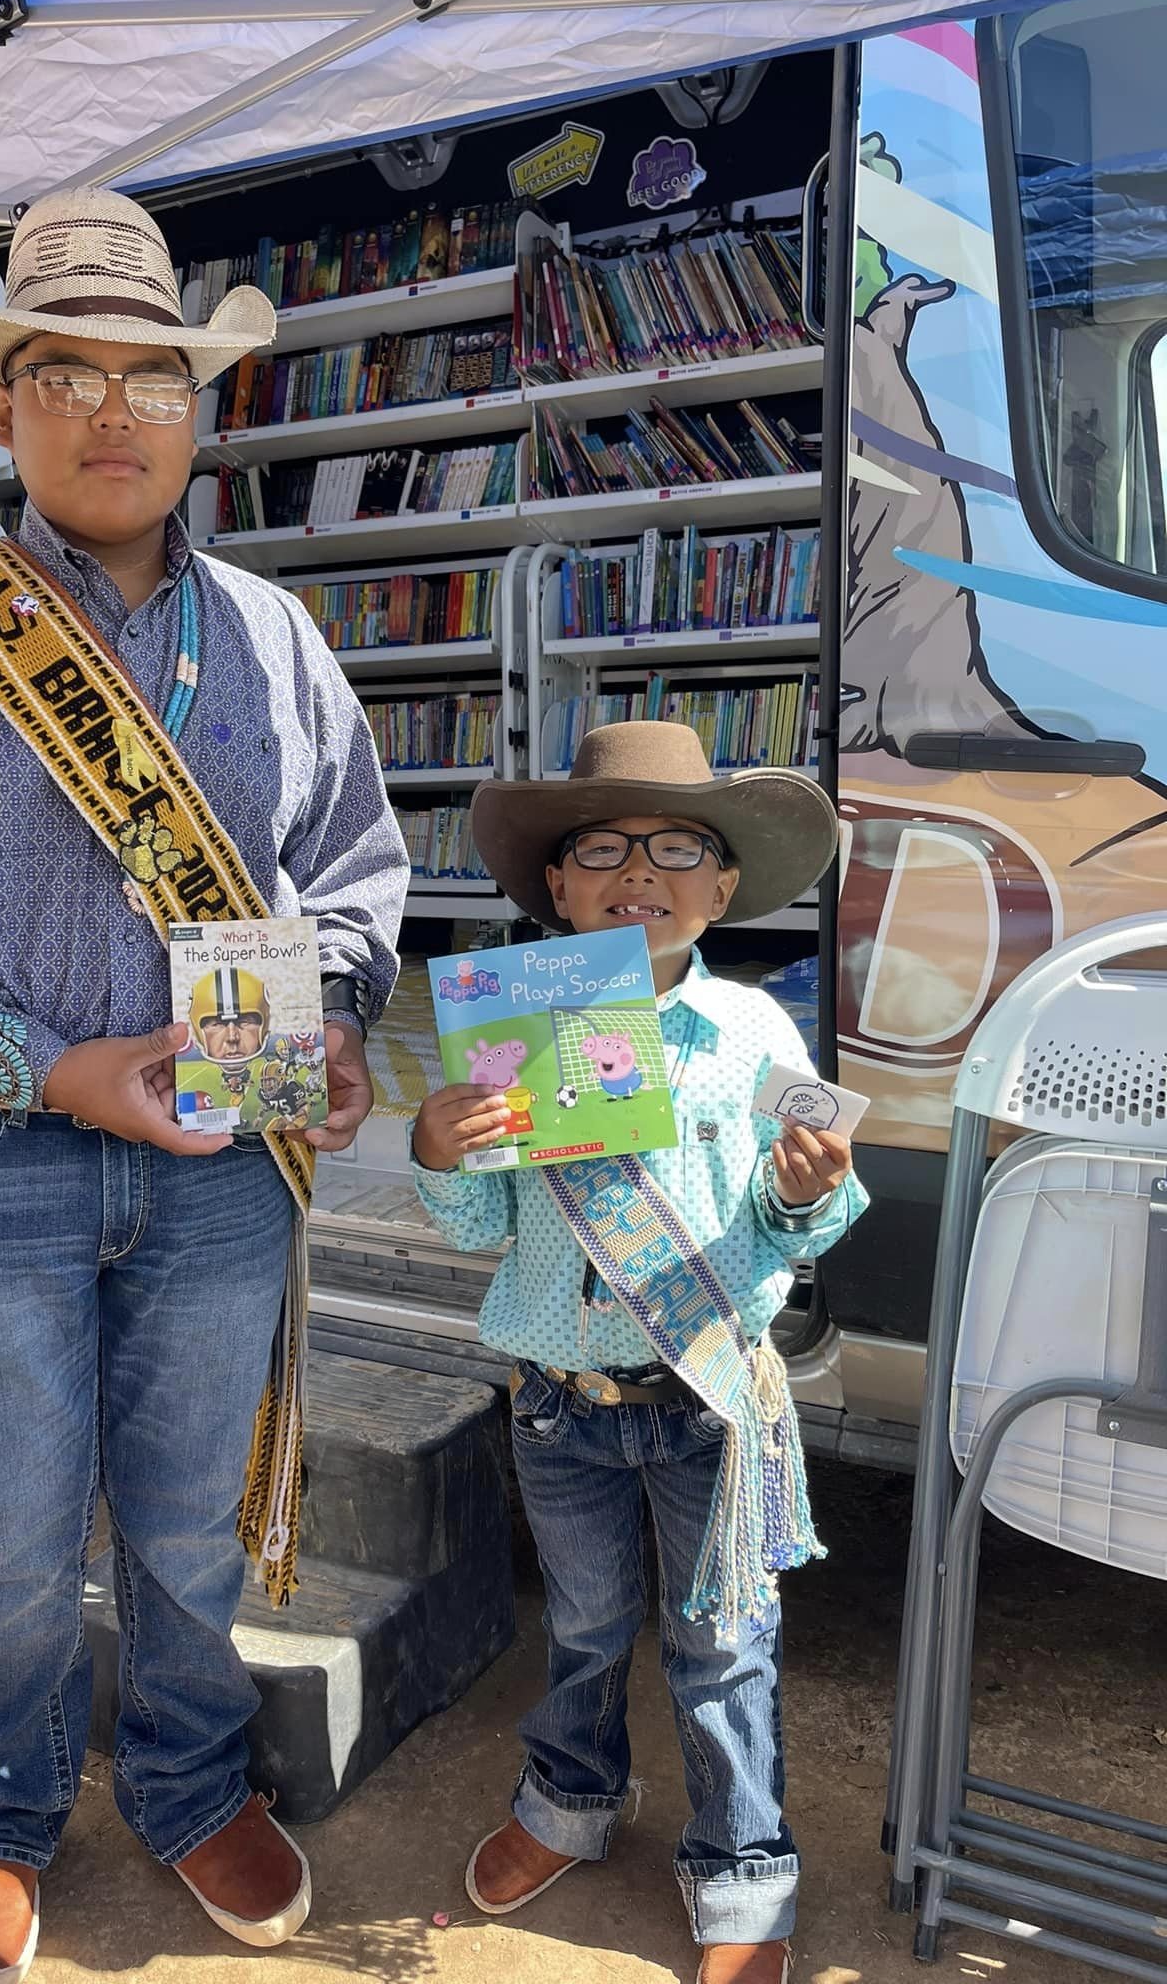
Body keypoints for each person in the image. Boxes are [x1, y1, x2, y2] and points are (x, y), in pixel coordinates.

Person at [0, 189, 408, 1983]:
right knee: (6, 1529)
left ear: (203, 411)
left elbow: (356, 867)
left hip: (226, 1171)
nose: (117, 409)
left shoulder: (278, 640)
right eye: (70, 374)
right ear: (9, 408)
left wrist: (343, 1017)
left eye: (156, 374)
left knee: (187, 1518)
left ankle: (190, 1774)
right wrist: (60, 1068)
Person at [410, 721, 868, 1984]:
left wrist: (807, 1188)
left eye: (679, 846)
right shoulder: (508, 1030)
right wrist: (442, 1150)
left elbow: (808, 1221)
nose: (639, 868)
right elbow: (482, 1220)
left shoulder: (757, 1035)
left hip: (711, 1396)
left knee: (725, 1641)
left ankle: (743, 1861)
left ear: (722, 886)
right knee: (587, 1621)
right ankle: (569, 1798)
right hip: (561, 1403)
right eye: (601, 845)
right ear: (557, 883)